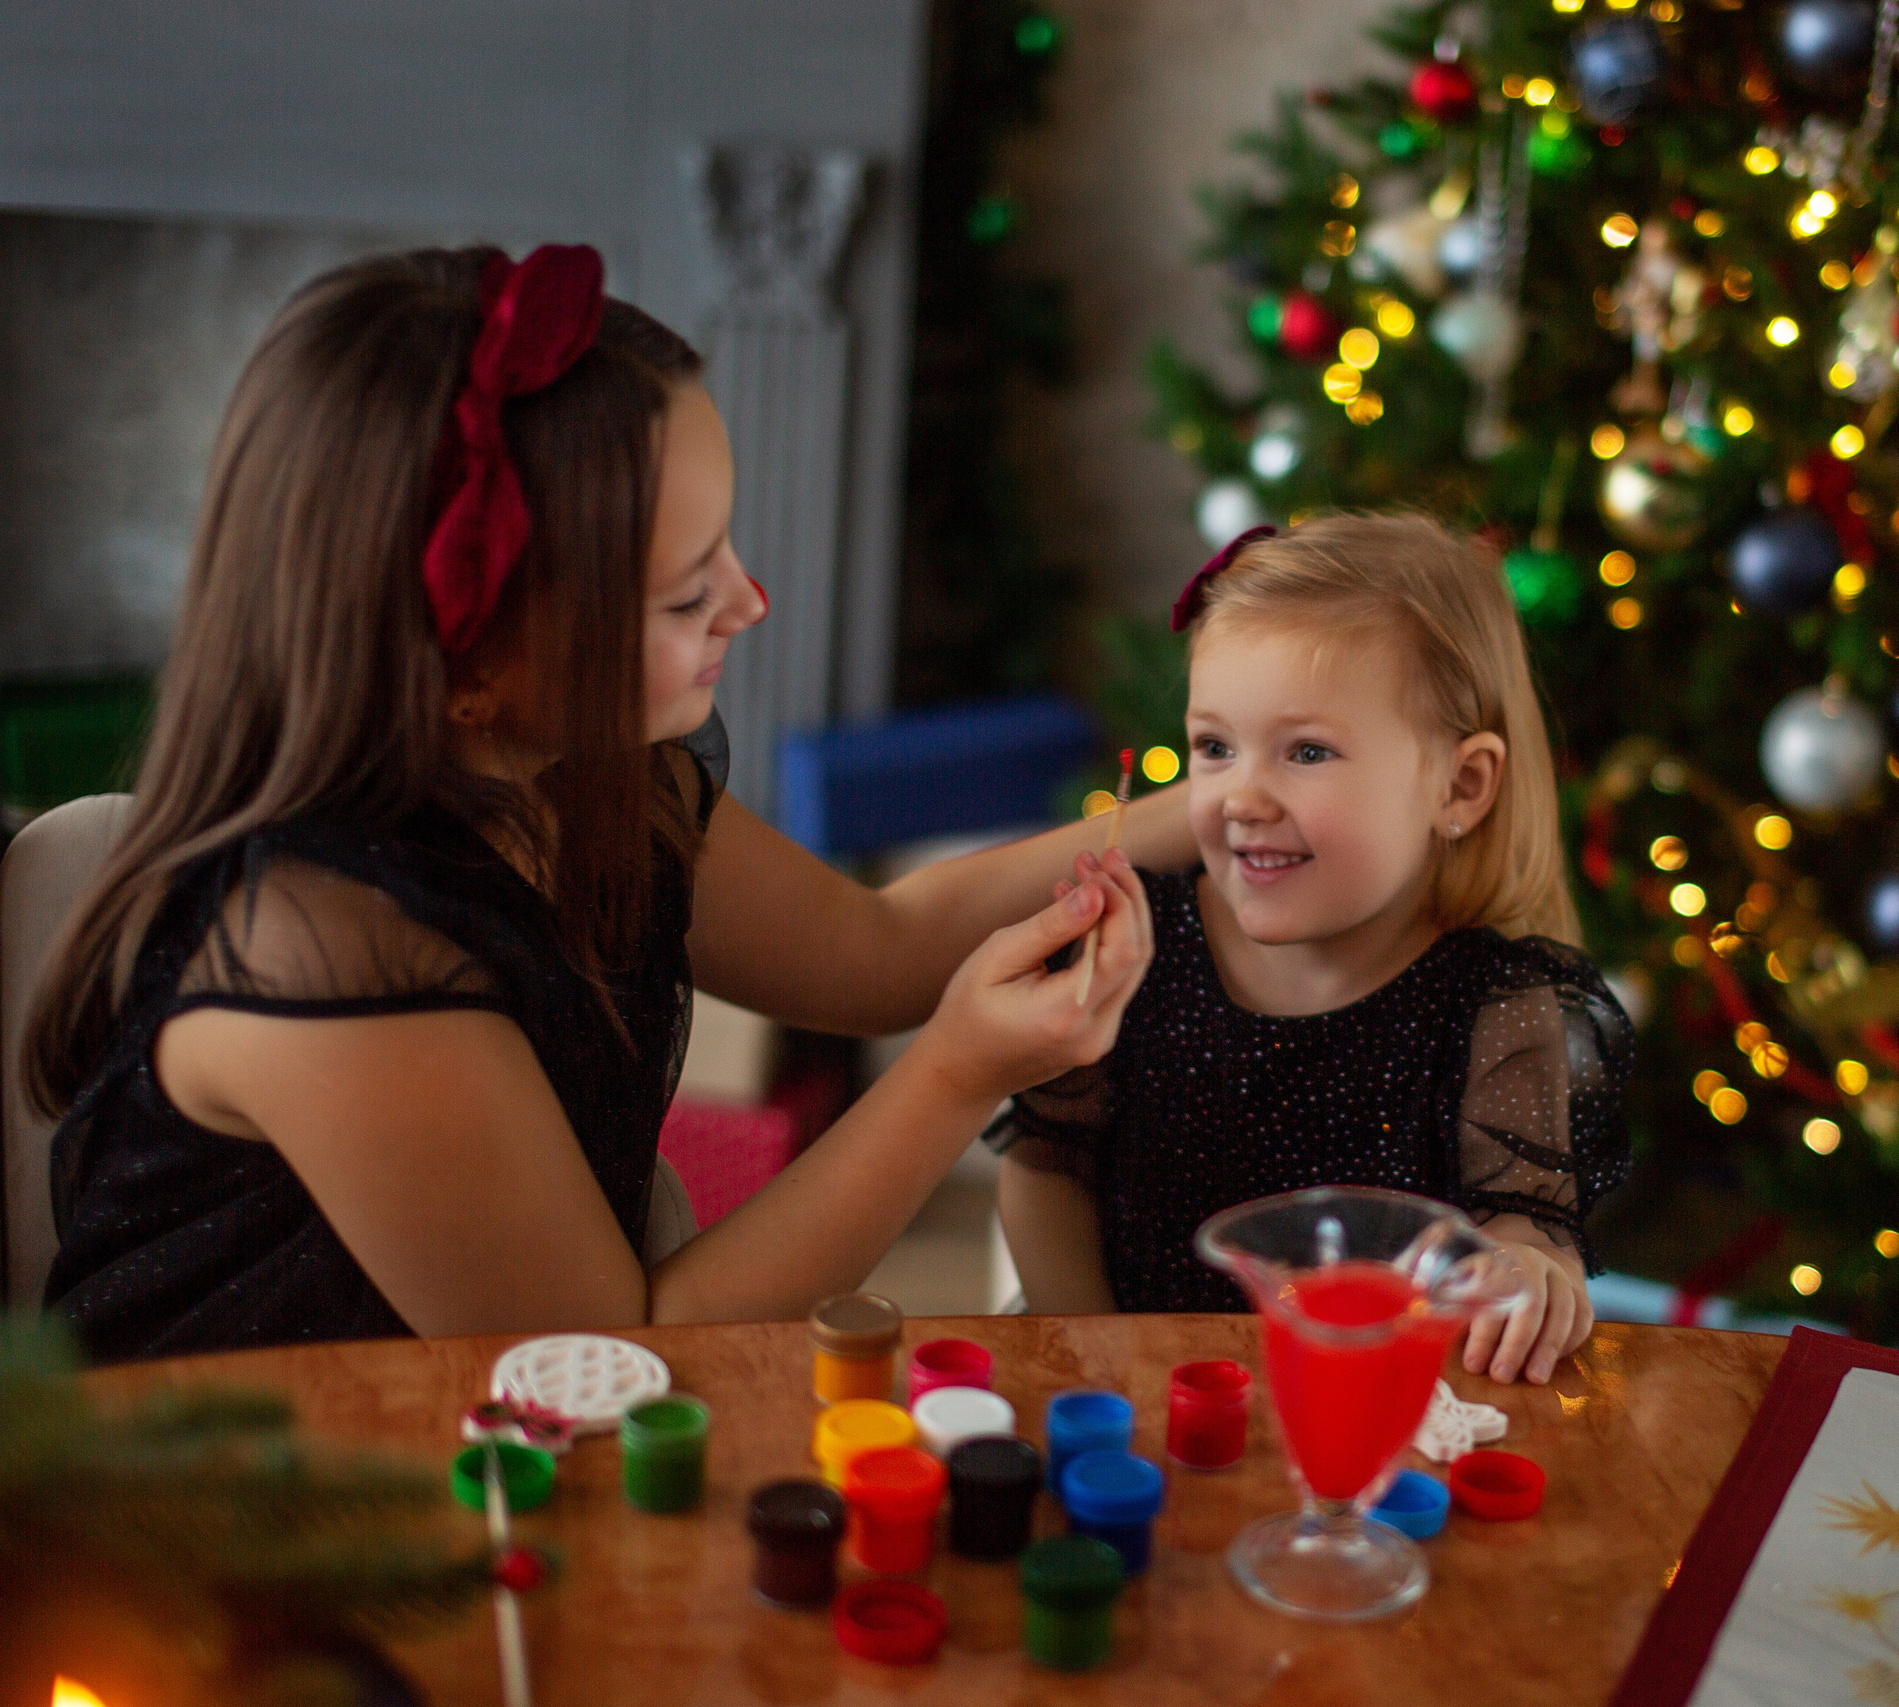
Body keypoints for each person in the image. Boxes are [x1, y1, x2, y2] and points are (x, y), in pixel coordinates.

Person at [22, 245, 1182, 1361]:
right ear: (469, 674)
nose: (750, 602)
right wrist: (961, 1072)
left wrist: (1202, 812)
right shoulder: (325, 951)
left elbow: (878, 949)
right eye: (686, 596)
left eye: (724, 548)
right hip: (254, 1501)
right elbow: (619, 1359)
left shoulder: (587, 777)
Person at [991, 514, 1632, 1385]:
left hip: (1366, 1436)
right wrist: (1107, 1361)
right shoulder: (1135, 944)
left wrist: (1528, 1274)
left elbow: (1525, 1232)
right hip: (1132, 1407)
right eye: (1215, 746)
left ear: (1462, 784)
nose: (1241, 795)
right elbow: (1044, 1174)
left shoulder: (1504, 1009)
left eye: (1307, 751)